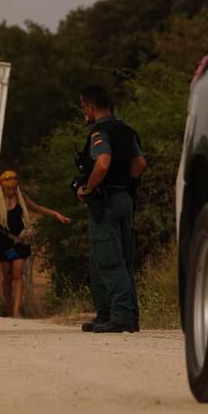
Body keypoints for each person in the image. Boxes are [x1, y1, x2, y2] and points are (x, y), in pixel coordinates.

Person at [75, 84, 146, 334]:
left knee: (108, 259)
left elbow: (102, 164)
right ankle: (109, 314)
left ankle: (121, 317)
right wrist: (126, 184)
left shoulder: (100, 132)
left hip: (106, 201)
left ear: (90, 107)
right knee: (118, 258)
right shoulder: (126, 130)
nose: (84, 113)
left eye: (84, 108)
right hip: (124, 199)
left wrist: (88, 188)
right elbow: (139, 162)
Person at [0, 169, 71, 318]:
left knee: (18, 273)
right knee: (7, 275)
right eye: (8, 189)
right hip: (4, 241)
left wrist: (55, 214)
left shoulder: (21, 197)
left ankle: (16, 310)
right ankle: (9, 307)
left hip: (20, 240)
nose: (11, 191)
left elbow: (36, 208)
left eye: (13, 188)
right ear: (2, 187)